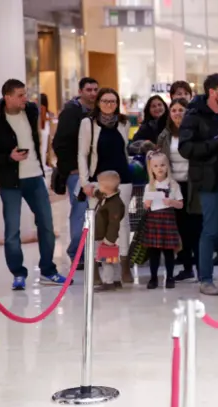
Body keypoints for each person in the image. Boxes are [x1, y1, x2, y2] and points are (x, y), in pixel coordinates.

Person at [0, 79, 71, 289]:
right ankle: (18, 274)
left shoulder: (30, 110)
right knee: (12, 230)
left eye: (25, 94)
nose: (26, 99)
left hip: (35, 178)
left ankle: (48, 270)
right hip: (9, 182)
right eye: (20, 95)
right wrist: (8, 157)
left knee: (47, 225)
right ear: (8, 97)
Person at [179, 73, 218, 296]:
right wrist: (216, 142)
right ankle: (205, 278)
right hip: (209, 181)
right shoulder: (194, 115)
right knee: (211, 229)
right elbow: (185, 149)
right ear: (213, 92)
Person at [79, 87, 134, 285]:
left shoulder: (124, 122)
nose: (109, 105)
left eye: (113, 101)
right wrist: (85, 182)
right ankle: (95, 270)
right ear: (98, 103)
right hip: (98, 180)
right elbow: (82, 154)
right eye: (105, 101)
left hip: (122, 180)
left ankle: (123, 267)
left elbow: (124, 149)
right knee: (98, 226)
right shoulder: (88, 123)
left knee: (122, 224)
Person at [53, 77, 99, 269]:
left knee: (93, 213)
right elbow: (59, 144)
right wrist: (73, 168)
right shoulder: (71, 113)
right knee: (80, 212)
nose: (93, 93)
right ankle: (76, 254)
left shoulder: (97, 112)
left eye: (96, 89)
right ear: (80, 91)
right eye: (89, 89)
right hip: (76, 173)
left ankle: (89, 252)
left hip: (95, 171)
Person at [157, 98, 200, 281]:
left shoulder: (195, 132)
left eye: (181, 110)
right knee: (181, 229)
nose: (177, 113)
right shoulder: (164, 136)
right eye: (173, 110)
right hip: (175, 187)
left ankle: (201, 268)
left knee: (197, 228)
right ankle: (187, 267)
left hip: (194, 185)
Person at [142, 151, 184, 289]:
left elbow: (180, 204)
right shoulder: (149, 186)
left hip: (168, 220)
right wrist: (147, 202)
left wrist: (171, 202)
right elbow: (145, 205)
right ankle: (153, 278)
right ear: (151, 168)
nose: (159, 168)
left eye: (162, 165)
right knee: (153, 252)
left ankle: (170, 277)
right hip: (153, 221)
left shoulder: (173, 185)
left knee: (168, 252)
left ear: (167, 166)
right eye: (155, 166)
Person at [92, 170, 125, 291]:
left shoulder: (115, 204)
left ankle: (108, 282)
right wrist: (94, 191)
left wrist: (109, 240)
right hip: (103, 236)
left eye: (99, 184)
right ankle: (116, 280)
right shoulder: (109, 196)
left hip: (104, 237)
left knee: (106, 261)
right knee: (112, 259)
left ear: (105, 187)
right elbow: (100, 195)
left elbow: (114, 224)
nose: (98, 186)